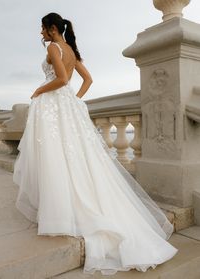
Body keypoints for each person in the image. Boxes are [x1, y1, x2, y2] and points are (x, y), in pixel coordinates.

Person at [13, 12, 178, 275]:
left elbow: (61, 80)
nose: (41, 33)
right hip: (65, 106)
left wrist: (37, 91)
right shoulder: (71, 50)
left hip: (54, 104)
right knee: (73, 157)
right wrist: (74, 100)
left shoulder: (56, 48)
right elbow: (86, 80)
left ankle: (61, 212)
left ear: (52, 29)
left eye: (43, 29)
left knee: (57, 157)